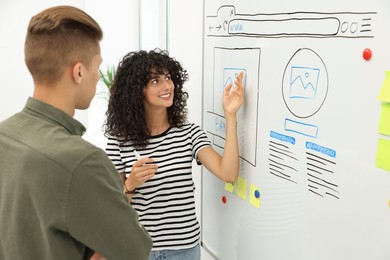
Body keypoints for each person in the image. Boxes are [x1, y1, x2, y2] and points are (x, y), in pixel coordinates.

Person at [0, 5, 152, 260]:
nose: (98, 77)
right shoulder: (82, 160)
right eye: (97, 67)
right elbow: (136, 251)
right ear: (79, 72)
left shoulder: (4, 134)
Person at [105, 48, 244, 259]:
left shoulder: (189, 134)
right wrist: (129, 185)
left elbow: (228, 174)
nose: (167, 86)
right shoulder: (119, 140)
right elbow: (113, 207)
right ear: (136, 91)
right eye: (155, 81)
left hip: (183, 250)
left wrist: (230, 115)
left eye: (168, 77)